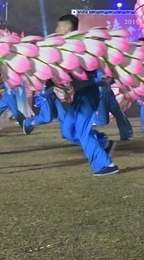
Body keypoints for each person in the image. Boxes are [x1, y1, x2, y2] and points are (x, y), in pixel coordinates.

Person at [49, 13, 120, 175]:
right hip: (79, 96)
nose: (56, 29)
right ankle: (103, 143)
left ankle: (106, 165)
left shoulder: (79, 45)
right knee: (67, 131)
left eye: (59, 26)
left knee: (82, 131)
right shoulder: (64, 46)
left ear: (68, 27)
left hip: (88, 92)